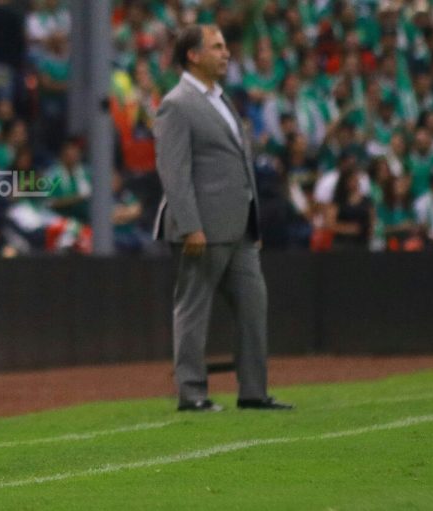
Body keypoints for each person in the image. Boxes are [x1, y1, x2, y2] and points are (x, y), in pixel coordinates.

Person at [153, 24, 292, 412]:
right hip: (202, 228)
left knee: (253, 306)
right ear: (193, 55)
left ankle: (253, 391)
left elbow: (239, 165)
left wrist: (255, 221)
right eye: (217, 47)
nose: (226, 53)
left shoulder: (221, 98)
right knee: (193, 309)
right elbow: (174, 172)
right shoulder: (177, 103)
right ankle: (192, 393)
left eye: (226, 46)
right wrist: (190, 223)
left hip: (241, 227)